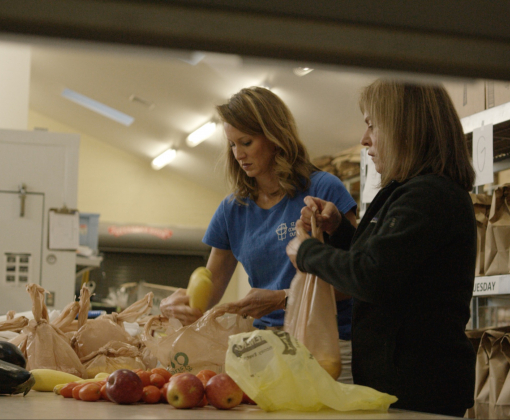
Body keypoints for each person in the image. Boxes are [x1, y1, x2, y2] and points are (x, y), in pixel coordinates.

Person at [286, 79, 476, 417]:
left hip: (421, 391)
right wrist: (339, 230)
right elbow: (387, 259)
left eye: (373, 125)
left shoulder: (430, 196)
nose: (364, 140)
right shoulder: (405, 191)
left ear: (406, 128)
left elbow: (371, 275)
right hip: (396, 385)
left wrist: (307, 253)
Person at [160, 86, 358, 382]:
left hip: (327, 345)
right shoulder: (232, 209)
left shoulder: (323, 190)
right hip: (265, 346)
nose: (238, 154)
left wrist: (281, 298)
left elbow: (358, 278)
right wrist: (179, 305)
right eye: (231, 145)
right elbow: (208, 289)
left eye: (247, 142)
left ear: (276, 137)